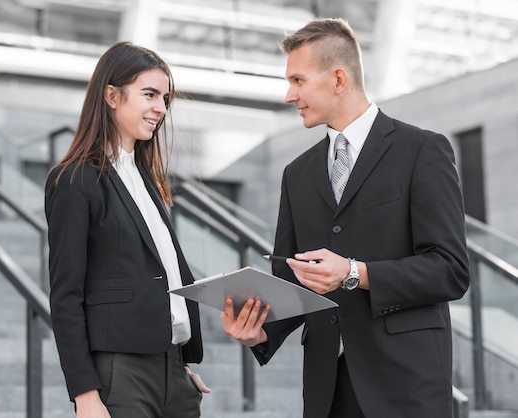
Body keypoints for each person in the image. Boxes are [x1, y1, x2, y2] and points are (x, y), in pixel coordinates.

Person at [221, 18, 470, 418]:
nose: (289, 95)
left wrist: (355, 272)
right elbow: (292, 279)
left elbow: (450, 270)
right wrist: (258, 331)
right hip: (327, 391)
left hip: (406, 386)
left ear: (338, 79)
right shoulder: (296, 174)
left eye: (298, 80)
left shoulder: (422, 150)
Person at [45, 41, 210, 418]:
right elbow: (65, 296)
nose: (161, 108)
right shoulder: (75, 179)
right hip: (121, 375)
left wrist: (178, 367)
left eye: (165, 98)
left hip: (173, 371)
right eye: (149, 94)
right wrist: (84, 393)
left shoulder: (146, 178)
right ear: (112, 96)